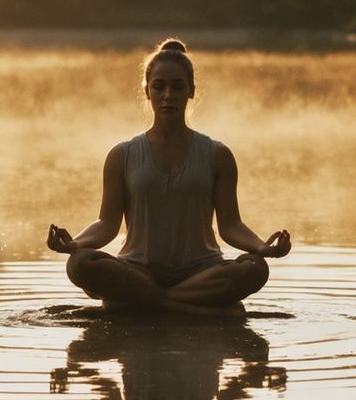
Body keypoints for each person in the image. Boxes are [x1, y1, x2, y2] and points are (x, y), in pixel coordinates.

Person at [47, 38, 291, 315]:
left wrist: (262, 246)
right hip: (138, 271)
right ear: (147, 91)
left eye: (177, 87)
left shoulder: (217, 154)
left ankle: (141, 303)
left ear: (191, 91)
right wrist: (74, 244)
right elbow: (106, 223)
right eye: (159, 86)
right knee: (79, 263)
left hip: (201, 271)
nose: (168, 96)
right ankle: (193, 309)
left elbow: (231, 224)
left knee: (255, 267)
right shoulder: (122, 155)